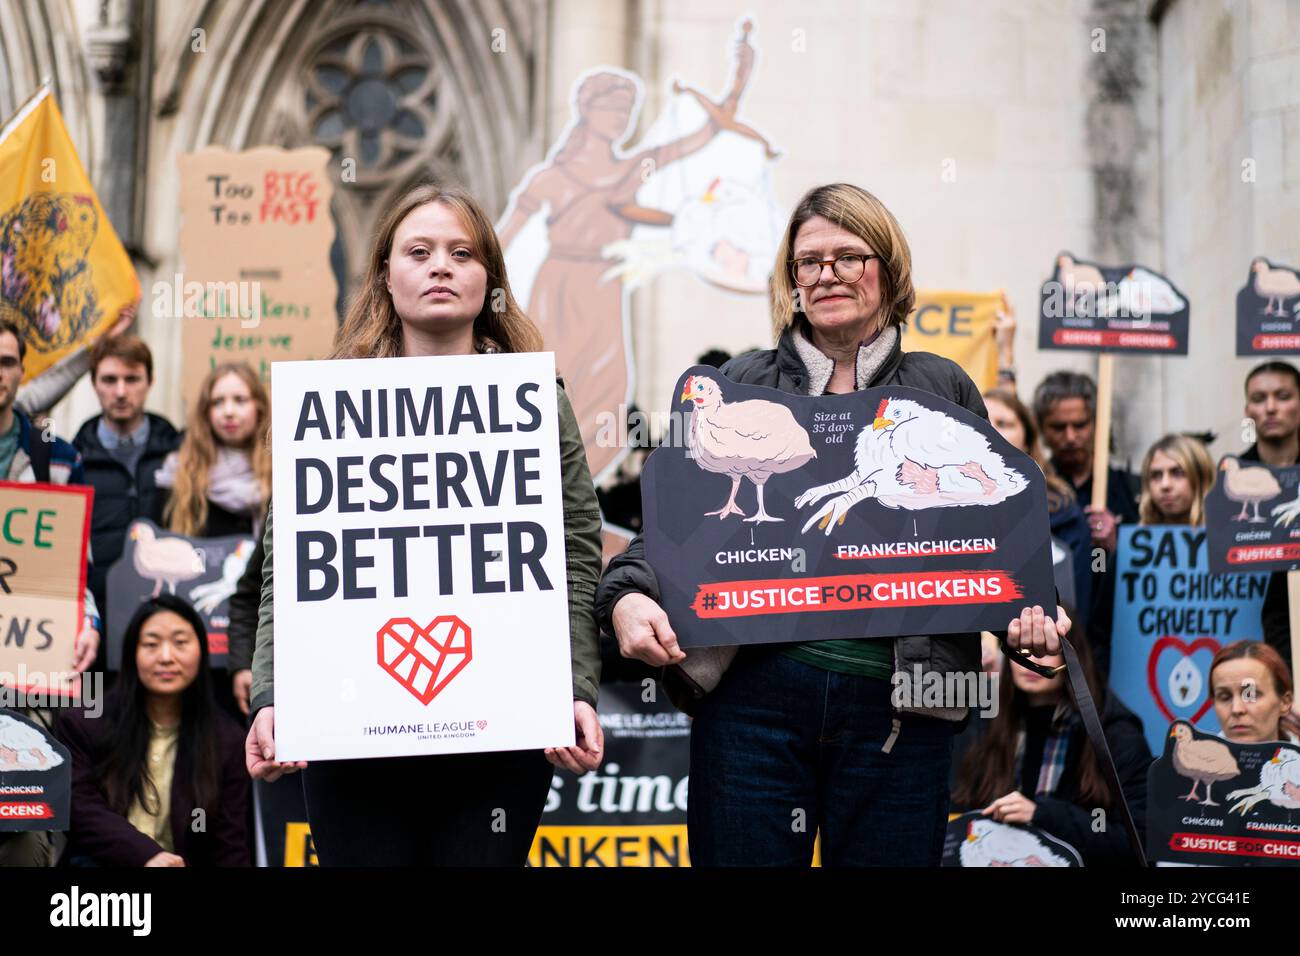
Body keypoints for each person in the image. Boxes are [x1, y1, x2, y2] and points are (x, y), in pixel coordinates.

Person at [595, 183, 1071, 867]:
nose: (826, 275)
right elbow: (674, 533)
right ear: (791, 280)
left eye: (849, 257)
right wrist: (630, 595)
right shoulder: (741, 382)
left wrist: (1031, 619)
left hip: (903, 715)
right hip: (750, 707)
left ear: (889, 268)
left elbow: (994, 529)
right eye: (808, 261)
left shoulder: (942, 386)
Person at [244, 183, 605, 866]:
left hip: (501, 732)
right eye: (420, 251)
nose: (442, 266)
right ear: (386, 272)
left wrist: (576, 686)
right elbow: (288, 565)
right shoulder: (327, 406)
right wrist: (272, 695)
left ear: (488, 278)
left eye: (462, 253)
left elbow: (577, 550)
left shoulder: (535, 402)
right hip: (353, 736)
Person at [0, 320, 100, 867]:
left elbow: (75, 567)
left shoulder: (54, 456)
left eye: (7, 362)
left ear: (22, 371)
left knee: (21, 824)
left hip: (25, 668)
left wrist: (88, 626)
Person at [55, 594, 249, 866]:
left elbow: (229, 844)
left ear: (202, 650)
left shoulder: (227, 741)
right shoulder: (84, 724)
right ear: (131, 653)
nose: (166, 657)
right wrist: (147, 856)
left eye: (180, 643)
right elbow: (81, 810)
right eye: (151, 644)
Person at [950, 621, 1150, 867]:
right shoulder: (990, 726)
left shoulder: (1115, 736)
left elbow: (1138, 843)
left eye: (1048, 648)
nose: (1033, 658)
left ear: (1073, 656)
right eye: (1021, 648)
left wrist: (1043, 814)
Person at [73, 333, 181, 638]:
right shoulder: (73, 460)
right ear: (93, 383)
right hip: (99, 627)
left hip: (168, 622)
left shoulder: (180, 454)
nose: (120, 392)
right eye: (109, 379)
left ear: (151, 381)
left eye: (132, 379)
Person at [1034, 370, 1139, 681]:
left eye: (1080, 425)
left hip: (1116, 642)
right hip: (1056, 640)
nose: (1069, 437)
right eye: (1058, 427)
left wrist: (1115, 548)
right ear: (1041, 429)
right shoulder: (1037, 489)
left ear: (1097, 423)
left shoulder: (1128, 490)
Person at [984, 385, 1091, 618]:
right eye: (981, 420)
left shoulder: (1063, 514)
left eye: (1004, 423)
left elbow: (1078, 602)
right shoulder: (934, 509)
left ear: (1027, 439)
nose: (991, 430)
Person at [155, 361, 271, 540]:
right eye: (217, 402)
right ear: (205, 412)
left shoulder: (282, 470)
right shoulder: (183, 472)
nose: (228, 412)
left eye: (240, 400)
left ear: (259, 407)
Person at [1239, 362, 1300, 670]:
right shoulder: (1229, 479)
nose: (1271, 408)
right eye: (1260, 398)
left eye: (1283, 396)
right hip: (1256, 639)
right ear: (1248, 409)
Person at [1209, 641, 1299, 744]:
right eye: (1225, 697)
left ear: (1285, 702)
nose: (1236, 709)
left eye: (1251, 695)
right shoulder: (1195, 759)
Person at [1137, 433, 1214, 526]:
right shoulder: (1130, 538)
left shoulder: (1230, 534)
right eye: (1156, 476)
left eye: (1178, 473)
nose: (1165, 485)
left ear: (1201, 478)